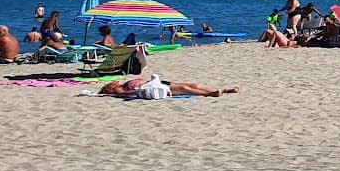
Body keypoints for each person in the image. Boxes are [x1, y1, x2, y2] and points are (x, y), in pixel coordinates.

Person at [99, 75, 238, 97]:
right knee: (185, 89)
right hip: (153, 87)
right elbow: (128, 94)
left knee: (194, 84)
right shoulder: (117, 90)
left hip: (156, 82)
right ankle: (209, 94)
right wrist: (139, 90)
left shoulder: (121, 84)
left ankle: (224, 90)